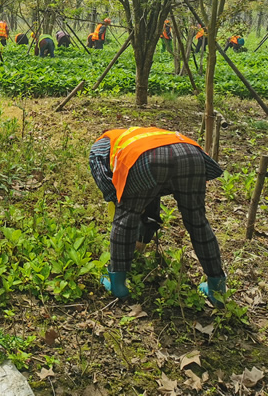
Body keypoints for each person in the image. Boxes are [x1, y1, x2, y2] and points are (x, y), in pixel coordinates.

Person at [89, 127, 227, 307]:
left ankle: (118, 284)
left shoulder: (101, 144)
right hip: (191, 154)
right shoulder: (143, 133)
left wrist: (121, 203)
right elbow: (152, 191)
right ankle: (217, 289)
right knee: (197, 221)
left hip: (146, 158)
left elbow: (105, 180)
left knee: (126, 216)